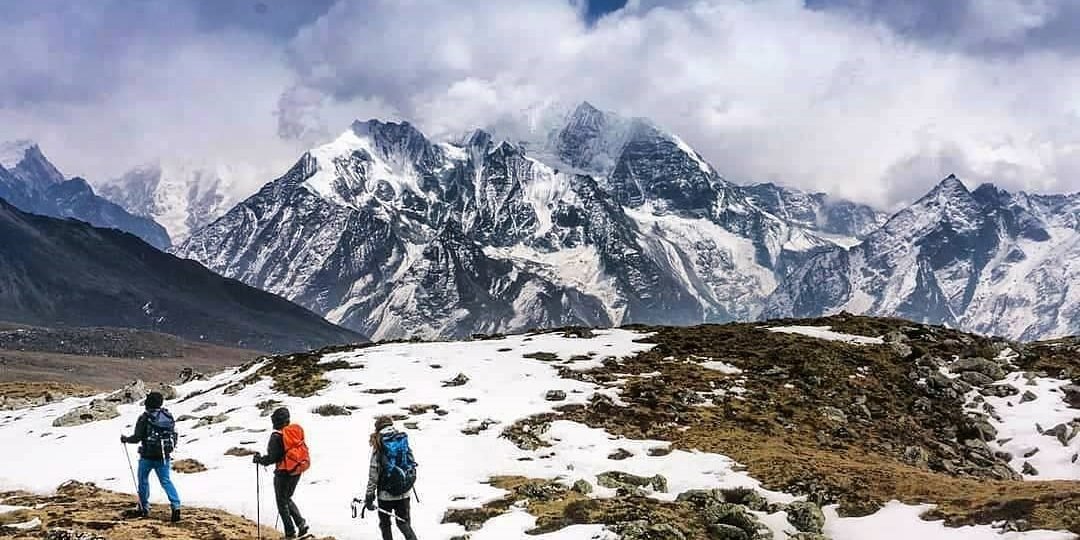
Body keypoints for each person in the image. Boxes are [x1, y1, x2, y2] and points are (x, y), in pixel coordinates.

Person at [120, 390, 181, 522]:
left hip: (147, 456)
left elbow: (137, 438)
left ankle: (144, 507)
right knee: (166, 481)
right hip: (163, 456)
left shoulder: (144, 418)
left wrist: (125, 439)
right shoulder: (167, 416)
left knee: (143, 480)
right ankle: (176, 507)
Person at [253, 407, 310, 539]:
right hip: (297, 469)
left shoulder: (276, 437)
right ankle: (301, 524)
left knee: (281, 502)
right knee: (287, 498)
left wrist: (259, 459)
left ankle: (290, 533)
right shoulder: (295, 432)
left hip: (283, 473)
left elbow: (273, 458)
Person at [363, 416, 419, 540]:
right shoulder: (401, 440)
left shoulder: (379, 443)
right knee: (404, 523)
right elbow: (411, 463)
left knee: (385, 525)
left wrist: (369, 496)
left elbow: (373, 473)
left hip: (385, 495)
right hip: (404, 492)